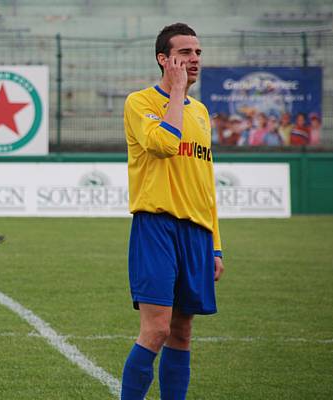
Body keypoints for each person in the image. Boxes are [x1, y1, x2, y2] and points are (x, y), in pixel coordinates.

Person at [122, 23, 224, 400]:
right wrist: (177, 92)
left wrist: (215, 244)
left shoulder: (201, 112)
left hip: (197, 233)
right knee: (157, 330)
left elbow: (205, 182)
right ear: (163, 59)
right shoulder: (140, 102)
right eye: (184, 53)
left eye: (197, 52)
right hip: (157, 227)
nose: (194, 59)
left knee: (182, 332)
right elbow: (164, 144)